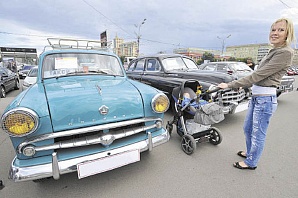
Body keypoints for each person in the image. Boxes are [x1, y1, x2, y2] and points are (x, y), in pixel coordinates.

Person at [217, 18, 296, 170]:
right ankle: (250, 153)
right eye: (273, 29)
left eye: (280, 30)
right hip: (257, 97)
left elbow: (258, 75)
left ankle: (251, 162)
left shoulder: (285, 52)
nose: (275, 33)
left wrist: (230, 85)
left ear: (288, 34)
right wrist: (244, 86)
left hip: (265, 100)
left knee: (258, 133)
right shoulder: (274, 50)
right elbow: (258, 75)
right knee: (247, 129)